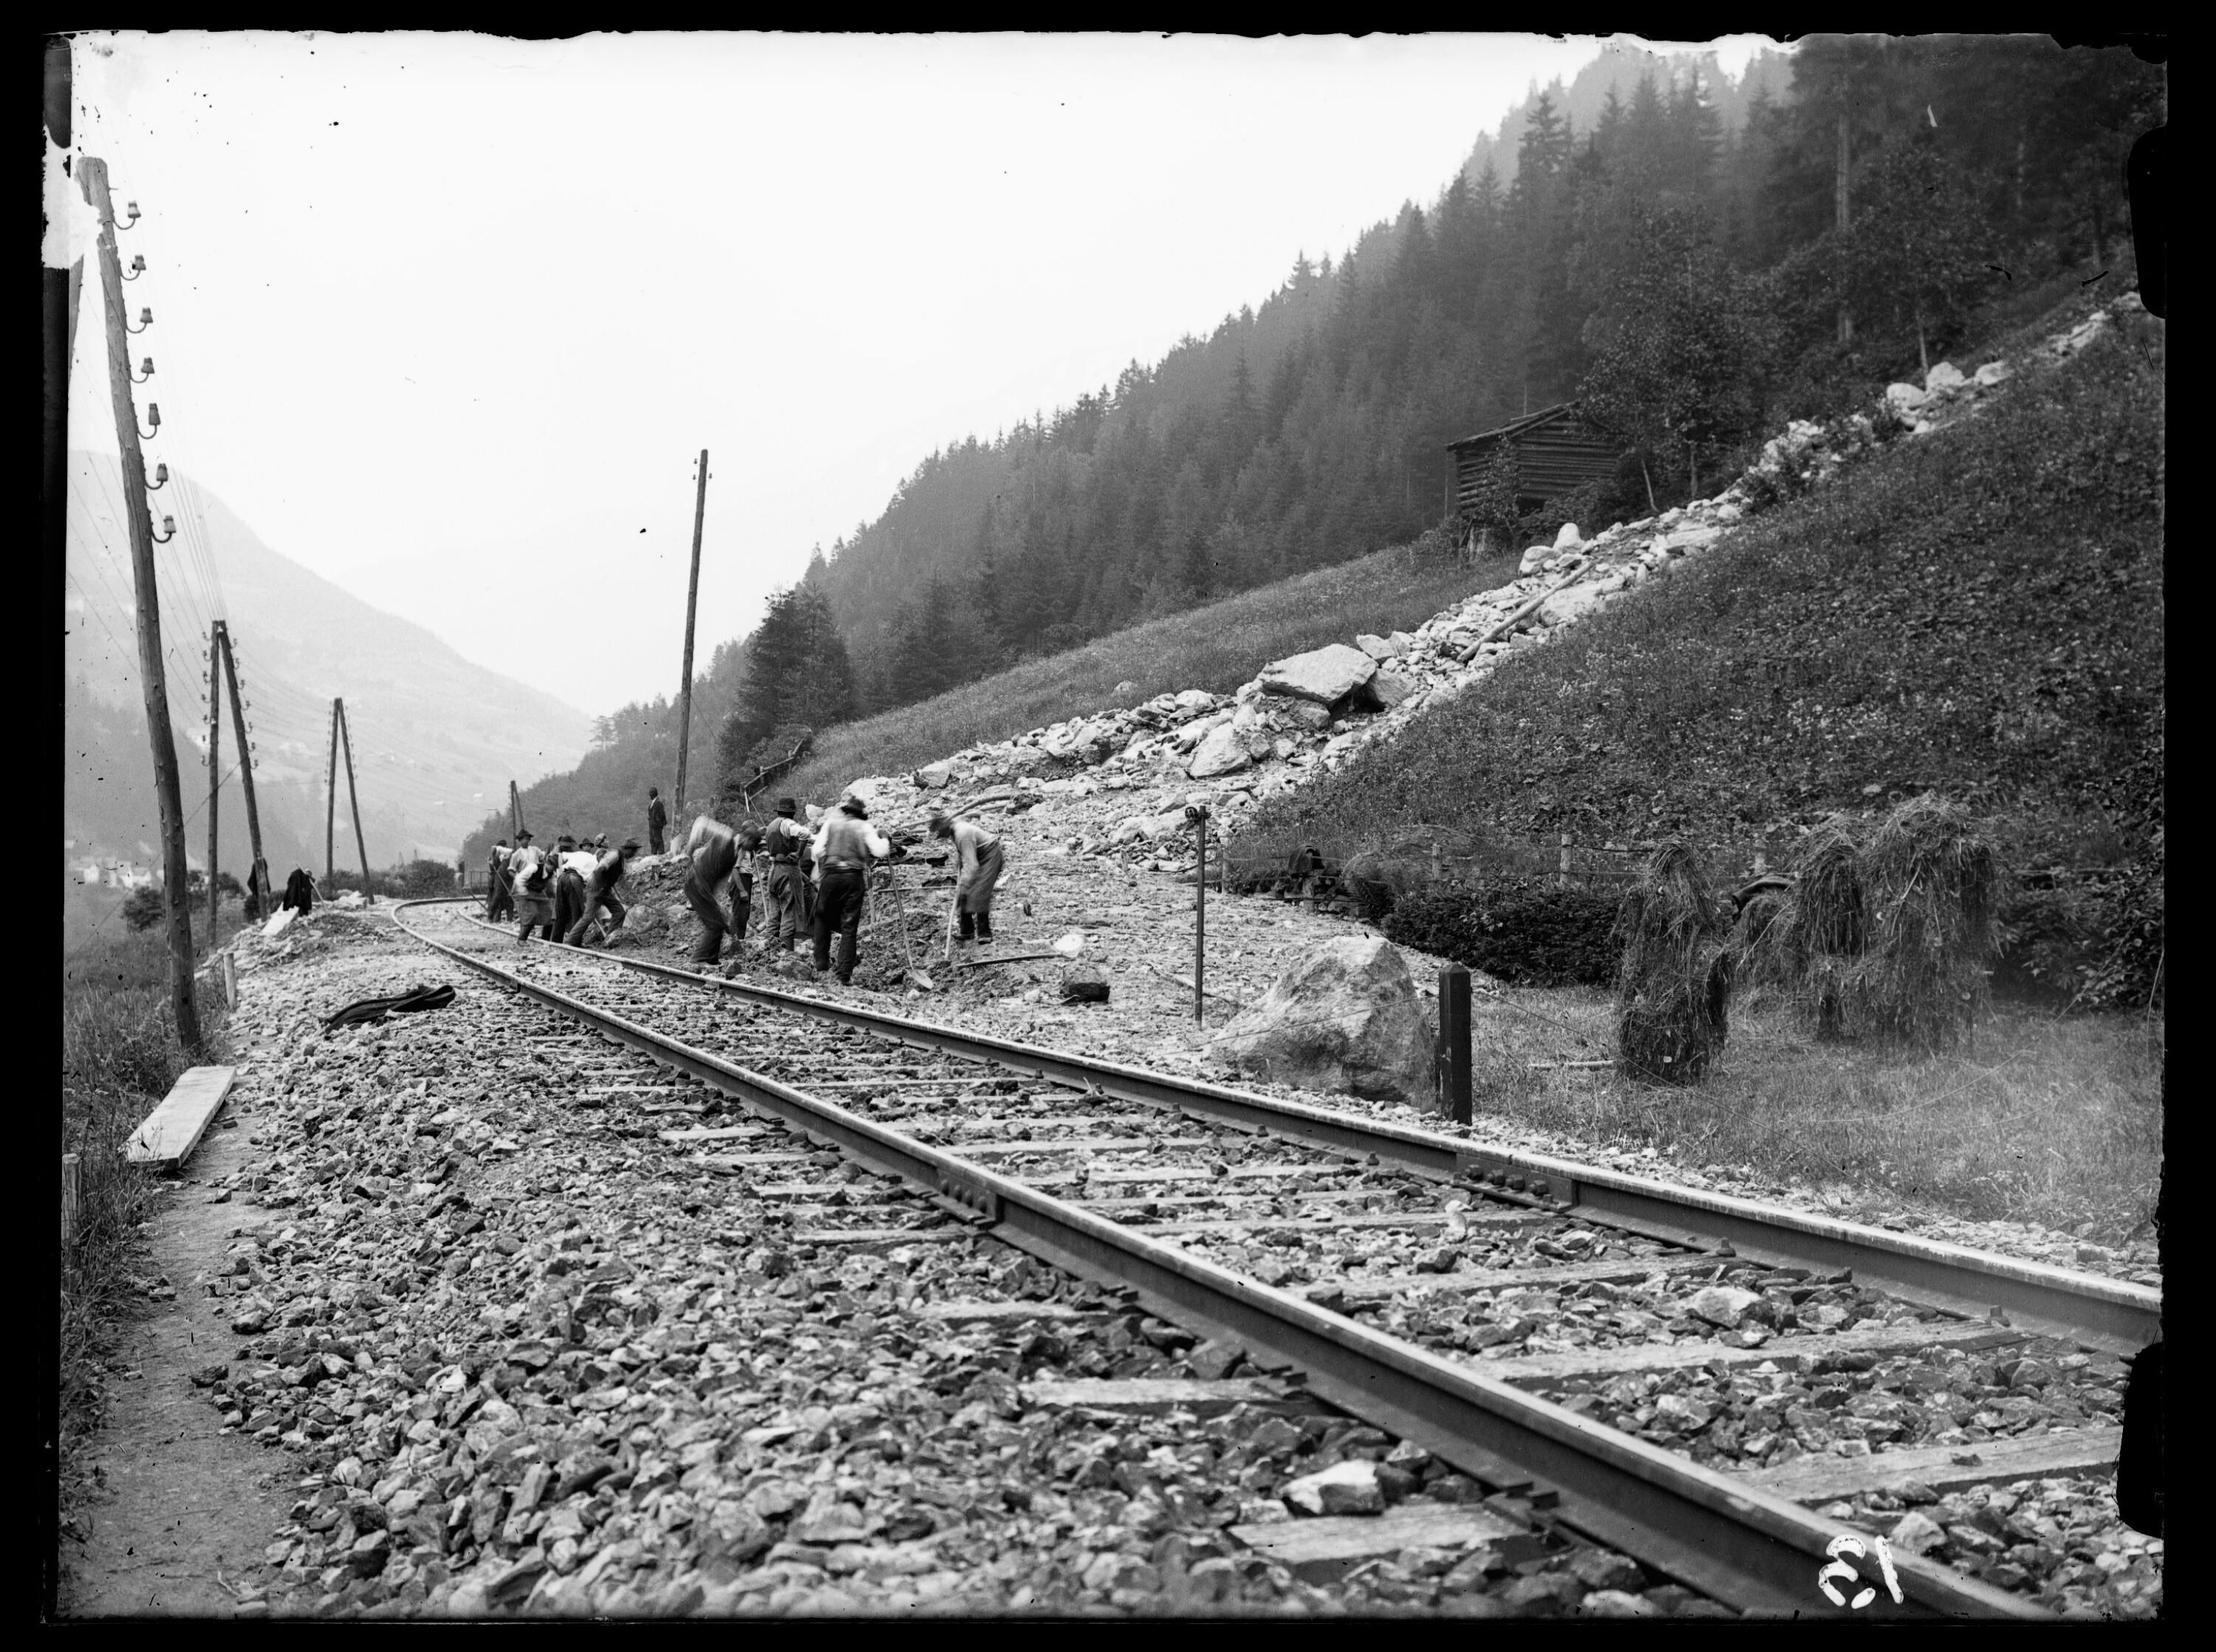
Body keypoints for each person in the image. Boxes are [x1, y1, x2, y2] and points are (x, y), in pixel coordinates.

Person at [810, 795, 893, 985]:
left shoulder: (831, 824)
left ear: (846, 811)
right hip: (853, 877)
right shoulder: (864, 827)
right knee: (849, 925)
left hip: (831, 875)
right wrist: (885, 839)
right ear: (860, 814)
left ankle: (821, 963)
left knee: (822, 916)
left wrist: (822, 866)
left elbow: (816, 850)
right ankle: (843, 974)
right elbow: (880, 852)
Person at [929, 807, 1006, 947]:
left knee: (979, 892)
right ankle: (967, 931)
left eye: (940, 833)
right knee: (964, 893)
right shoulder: (955, 831)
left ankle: (984, 933)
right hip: (978, 855)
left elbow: (972, 864)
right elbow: (962, 853)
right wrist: (959, 870)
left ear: (945, 829)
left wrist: (964, 883)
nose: (942, 837)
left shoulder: (962, 833)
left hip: (990, 855)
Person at [682, 814, 745, 968]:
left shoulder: (735, 855)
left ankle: (711, 960)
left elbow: (719, 883)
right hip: (696, 883)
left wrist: (719, 906)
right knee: (715, 924)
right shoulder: (727, 835)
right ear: (745, 838)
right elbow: (701, 823)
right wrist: (691, 847)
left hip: (703, 887)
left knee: (719, 923)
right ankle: (697, 961)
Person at [760, 798, 812, 953]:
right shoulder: (787, 824)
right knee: (789, 911)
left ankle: (769, 952)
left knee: (774, 914)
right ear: (792, 813)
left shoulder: (771, 826)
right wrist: (799, 853)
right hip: (787, 871)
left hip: (774, 870)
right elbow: (805, 833)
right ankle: (787, 953)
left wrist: (805, 878)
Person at [568, 837, 640, 947]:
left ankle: (610, 941)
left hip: (605, 890)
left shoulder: (622, 861)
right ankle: (570, 941)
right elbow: (599, 869)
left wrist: (629, 897)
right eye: (633, 851)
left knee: (619, 912)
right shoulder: (614, 855)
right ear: (627, 850)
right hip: (596, 888)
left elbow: (621, 881)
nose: (634, 854)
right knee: (588, 917)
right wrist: (600, 886)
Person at [507, 829, 555, 945]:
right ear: (520, 840)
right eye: (524, 839)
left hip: (538, 885)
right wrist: (522, 889)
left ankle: (546, 940)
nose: (526, 841)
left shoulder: (535, 850)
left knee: (550, 914)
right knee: (530, 914)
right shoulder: (516, 855)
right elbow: (512, 871)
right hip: (525, 886)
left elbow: (544, 857)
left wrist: (549, 853)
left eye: (528, 839)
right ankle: (522, 939)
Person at [551, 834, 593, 943]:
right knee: (576, 912)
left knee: (561, 912)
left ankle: (556, 941)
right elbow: (592, 881)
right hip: (573, 879)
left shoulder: (574, 855)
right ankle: (575, 943)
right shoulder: (594, 861)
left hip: (562, 878)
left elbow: (558, 856)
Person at [485, 839, 515, 921]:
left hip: (507, 878)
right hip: (499, 878)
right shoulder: (498, 853)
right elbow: (494, 865)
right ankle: (492, 917)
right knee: (498, 897)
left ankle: (509, 919)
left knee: (508, 898)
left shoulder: (507, 853)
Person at [646, 786, 668, 856]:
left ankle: (662, 855)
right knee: (652, 840)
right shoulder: (652, 803)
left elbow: (662, 814)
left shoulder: (658, 803)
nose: (650, 795)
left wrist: (660, 823)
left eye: (651, 793)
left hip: (656, 825)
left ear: (653, 794)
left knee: (658, 840)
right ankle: (654, 854)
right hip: (652, 825)